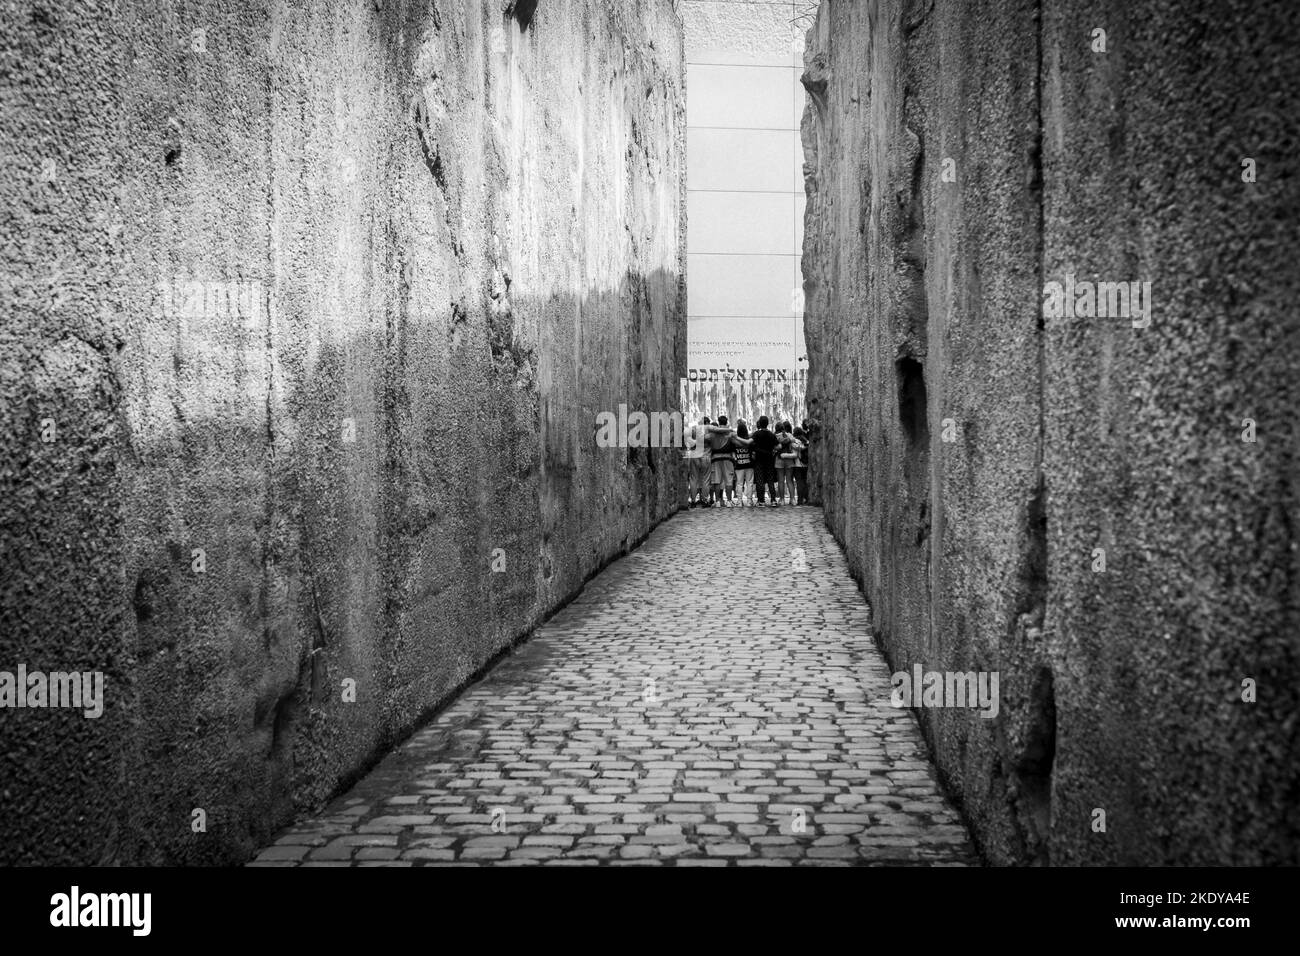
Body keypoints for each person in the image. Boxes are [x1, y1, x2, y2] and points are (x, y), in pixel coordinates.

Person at [705, 415, 737, 506]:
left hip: (715, 459)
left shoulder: (712, 434)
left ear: (718, 422)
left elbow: (702, 438)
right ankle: (729, 501)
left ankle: (718, 501)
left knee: (717, 480)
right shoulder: (730, 434)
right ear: (726, 422)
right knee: (729, 480)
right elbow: (737, 443)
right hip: (727, 458)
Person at [749, 416, 779, 506]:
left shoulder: (756, 434)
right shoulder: (771, 434)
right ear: (767, 423)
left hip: (759, 460)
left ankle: (761, 501)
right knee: (770, 480)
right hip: (769, 459)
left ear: (759, 423)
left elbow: (749, 443)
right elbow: (779, 446)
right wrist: (773, 450)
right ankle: (773, 500)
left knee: (759, 480)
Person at [683, 416, 712, 507]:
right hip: (706, 456)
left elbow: (686, 438)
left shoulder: (693, 430)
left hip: (694, 456)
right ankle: (705, 500)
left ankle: (693, 501)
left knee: (693, 478)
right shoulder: (710, 431)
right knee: (706, 479)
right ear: (707, 423)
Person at [731, 420, 755, 507]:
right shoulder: (749, 440)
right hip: (749, 464)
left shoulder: (734, 441)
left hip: (739, 464)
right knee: (750, 483)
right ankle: (749, 501)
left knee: (739, 483)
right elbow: (753, 452)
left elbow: (733, 453)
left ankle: (739, 501)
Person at [792, 425, 810, 505]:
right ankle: (806, 498)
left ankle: (800, 500)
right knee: (805, 481)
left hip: (797, 464)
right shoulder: (806, 440)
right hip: (805, 464)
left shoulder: (795, 441)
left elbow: (796, 448)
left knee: (799, 482)